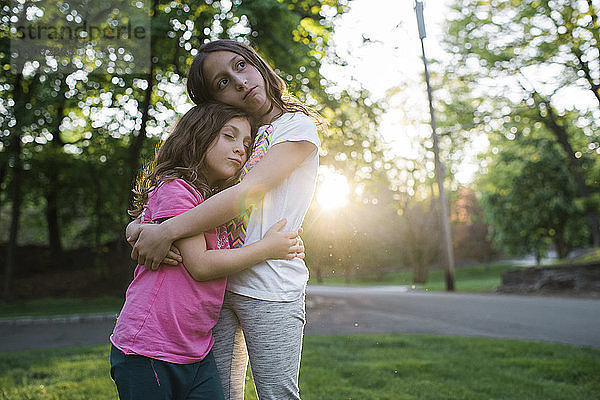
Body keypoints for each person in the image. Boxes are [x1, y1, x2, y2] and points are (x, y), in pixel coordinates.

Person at [127, 39, 321, 400]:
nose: (240, 81)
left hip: (271, 287)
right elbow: (185, 189)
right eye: (222, 82)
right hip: (216, 288)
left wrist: (165, 232)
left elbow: (246, 193)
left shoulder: (295, 129)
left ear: (255, 62)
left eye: (241, 66)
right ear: (214, 102)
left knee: (277, 394)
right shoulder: (231, 135)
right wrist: (139, 227)